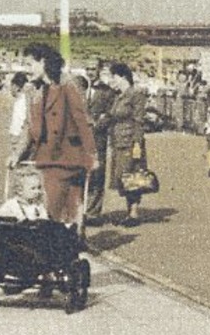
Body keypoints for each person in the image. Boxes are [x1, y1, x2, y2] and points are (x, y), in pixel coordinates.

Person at [18, 44, 97, 225]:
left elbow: (83, 121)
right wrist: (17, 154)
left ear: (43, 62)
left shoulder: (69, 84)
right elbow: (29, 126)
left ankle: (69, 244)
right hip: (47, 156)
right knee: (57, 208)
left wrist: (92, 154)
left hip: (69, 157)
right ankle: (66, 245)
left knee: (68, 207)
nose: (27, 70)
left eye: (30, 64)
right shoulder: (31, 90)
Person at [100, 61, 150, 225]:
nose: (111, 81)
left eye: (112, 77)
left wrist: (137, 144)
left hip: (129, 141)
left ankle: (134, 213)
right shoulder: (118, 96)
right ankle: (130, 212)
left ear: (122, 76)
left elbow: (139, 121)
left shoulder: (135, 94)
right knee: (123, 177)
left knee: (132, 176)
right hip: (118, 141)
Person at [84, 62, 116, 223]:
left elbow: (111, 114)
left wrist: (97, 124)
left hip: (98, 138)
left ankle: (94, 213)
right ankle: (83, 209)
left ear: (99, 70)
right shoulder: (81, 89)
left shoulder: (107, 92)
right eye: (88, 69)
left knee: (97, 174)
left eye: (92, 69)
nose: (90, 72)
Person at [4, 72, 31, 195]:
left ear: (16, 86)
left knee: (20, 170)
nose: (11, 90)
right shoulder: (21, 101)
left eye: (11, 86)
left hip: (20, 139)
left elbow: (25, 125)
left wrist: (18, 142)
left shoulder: (23, 103)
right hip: (17, 138)